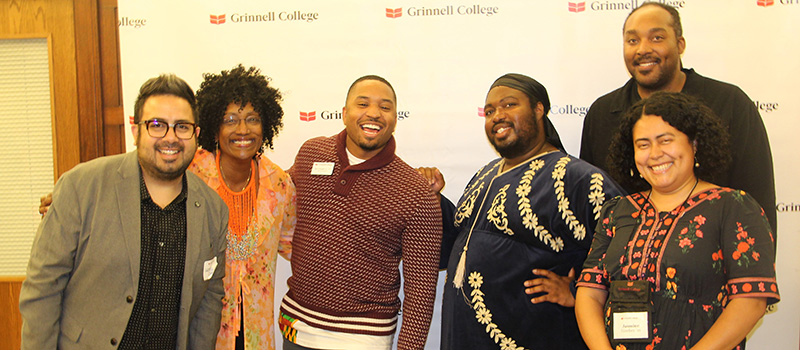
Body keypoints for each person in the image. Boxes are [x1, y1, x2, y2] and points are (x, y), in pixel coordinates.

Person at [20, 74, 228, 350]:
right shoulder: (81, 187)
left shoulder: (213, 211)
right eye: (157, 125)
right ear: (135, 131)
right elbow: (43, 287)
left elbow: (208, 303)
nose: (170, 138)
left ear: (196, 135)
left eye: (182, 127)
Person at [430, 73, 624, 349]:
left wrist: (577, 291)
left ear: (538, 109)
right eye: (489, 111)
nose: (498, 115)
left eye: (509, 105)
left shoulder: (575, 178)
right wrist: (434, 202)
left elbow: (631, 251)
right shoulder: (485, 174)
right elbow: (456, 246)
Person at [575, 92, 779, 350]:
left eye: (665, 140)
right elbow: (589, 292)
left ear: (694, 144)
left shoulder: (733, 207)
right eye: (643, 144)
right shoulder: (618, 211)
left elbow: (751, 301)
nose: (655, 154)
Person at [579, 2, 777, 238]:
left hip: (713, 264)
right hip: (625, 269)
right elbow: (591, 205)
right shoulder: (602, 113)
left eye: (657, 38)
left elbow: (757, 200)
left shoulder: (730, 104)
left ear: (680, 44)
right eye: (632, 41)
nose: (643, 49)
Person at [277, 75, 442, 350]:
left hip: (363, 338)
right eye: (362, 103)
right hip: (295, 326)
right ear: (344, 113)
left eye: (385, 107)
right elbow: (272, 194)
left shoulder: (416, 191)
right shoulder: (310, 153)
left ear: (395, 118)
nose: (374, 113)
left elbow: (421, 291)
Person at [190, 65, 296, 350]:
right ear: (214, 127)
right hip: (199, 329)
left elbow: (295, 245)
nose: (243, 130)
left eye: (252, 119)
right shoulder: (190, 176)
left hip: (255, 334)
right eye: (230, 120)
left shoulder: (280, 185)